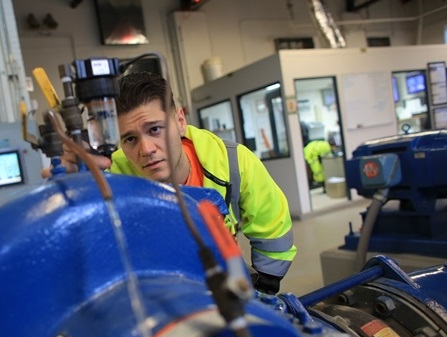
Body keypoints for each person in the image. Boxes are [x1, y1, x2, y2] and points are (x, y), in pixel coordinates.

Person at [44, 71, 296, 294]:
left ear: (180, 121)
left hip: (227, 278)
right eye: (130, 139)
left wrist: (263, 287)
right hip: (158, 291)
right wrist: (71, 188)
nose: (146, 149)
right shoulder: (110, 174)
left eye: (154, 129)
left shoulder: (233, 162)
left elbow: (273, 228)